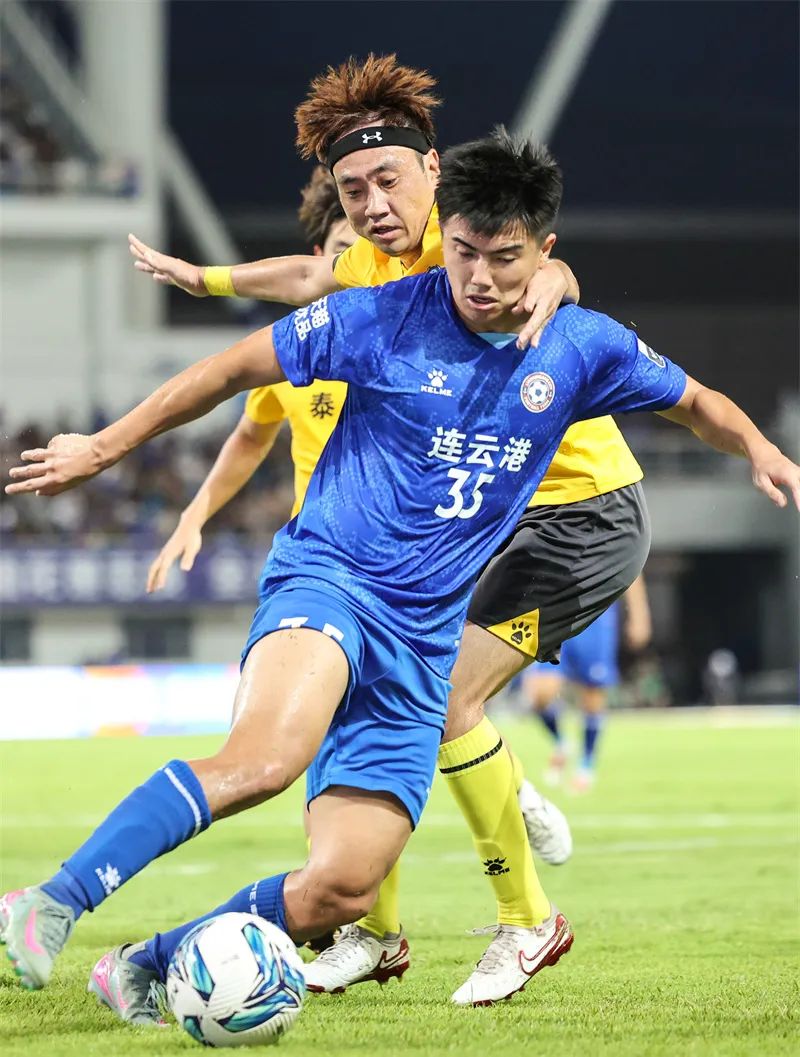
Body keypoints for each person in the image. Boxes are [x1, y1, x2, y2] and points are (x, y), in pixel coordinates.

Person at [4, 131, 799, 1023]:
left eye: (505, 258)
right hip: (331, 582)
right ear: (444, 236)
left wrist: (760, 448)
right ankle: (50, 901)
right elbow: (233, 369)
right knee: (265, 762)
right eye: (463, 252)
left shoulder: (581, 346)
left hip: (422, 640)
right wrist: (102, 448)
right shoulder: (379, 316)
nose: (479, 277)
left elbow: (695, 402)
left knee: (344, 888)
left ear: (544, 254)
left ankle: (145, 965)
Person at [134, 55, 580, 1002]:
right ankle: (373, 928)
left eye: (384, 191)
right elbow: (248, 427)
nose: (371, 221)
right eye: (350, 205)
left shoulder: (437, 281)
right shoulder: (331, 330)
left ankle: (517, 877)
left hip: (514, 519)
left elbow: (535, 261)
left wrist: (557, 277)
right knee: (349, 737)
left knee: (437, 707)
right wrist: (194, 514)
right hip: (348, 559)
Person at [525, 575, 651, 791]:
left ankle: (586, 764)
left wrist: (639, 616)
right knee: (539, 695)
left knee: (593, 695)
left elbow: (634, 568)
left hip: (595, 614)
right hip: (554, 612)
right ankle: (562, 743)